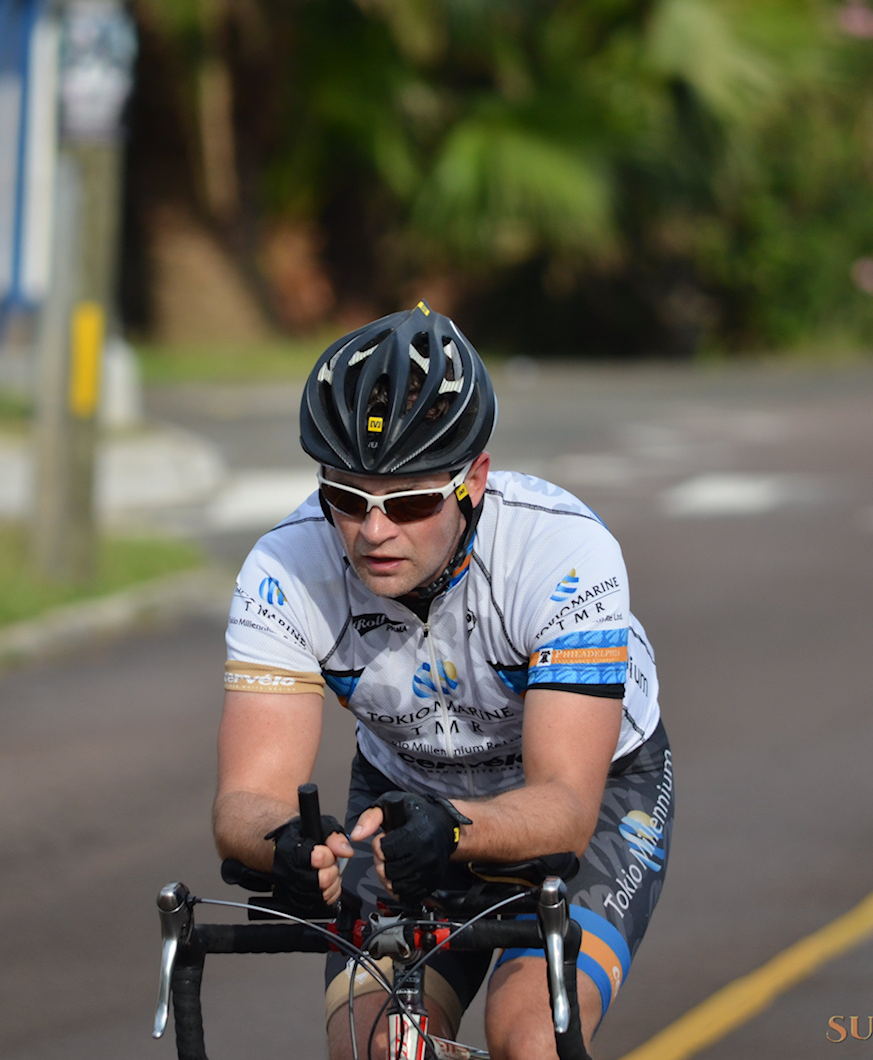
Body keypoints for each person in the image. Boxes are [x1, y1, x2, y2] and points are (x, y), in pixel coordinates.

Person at [214, 302, 673, 1059]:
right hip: (406, 799)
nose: (373, 531)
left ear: (474, 480)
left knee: (530, 1036)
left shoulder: (561, 554)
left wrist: (458, 828)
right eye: (346, 499)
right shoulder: (286, 568)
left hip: (593, 793)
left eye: (413, 501)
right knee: (380, 1048)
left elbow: (563, 805)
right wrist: (285, 845)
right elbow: (244, 800)